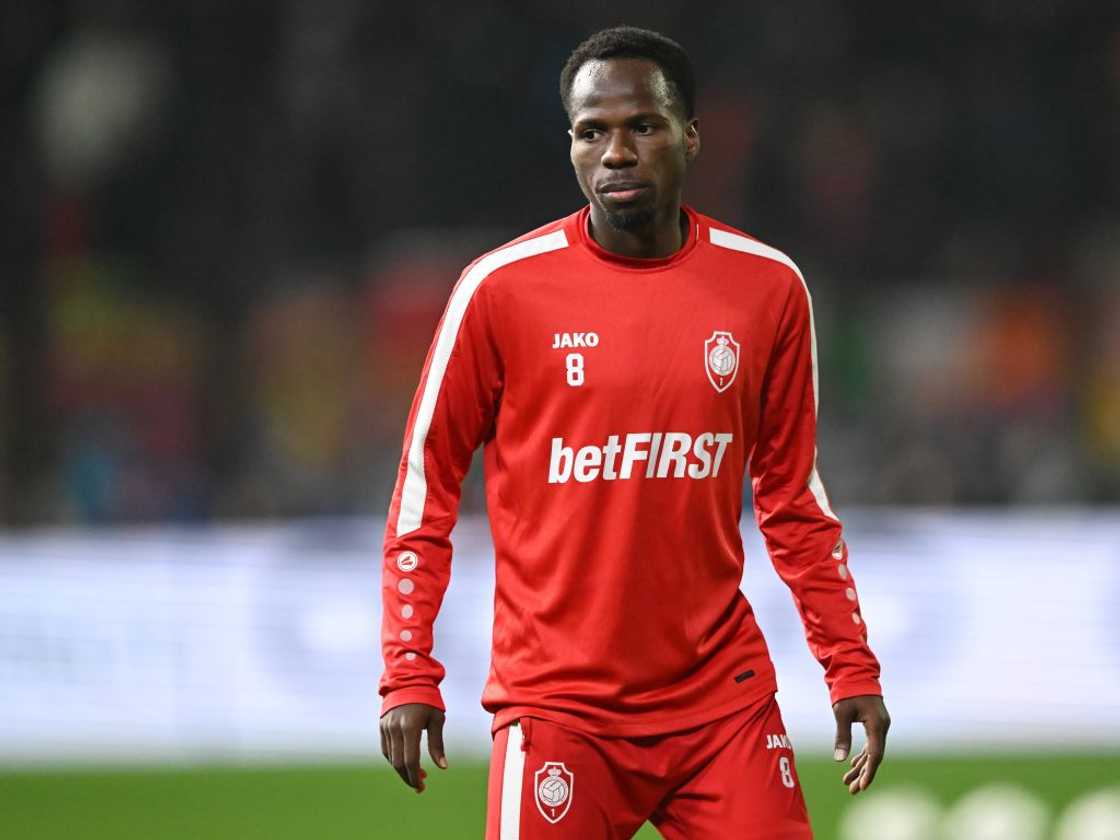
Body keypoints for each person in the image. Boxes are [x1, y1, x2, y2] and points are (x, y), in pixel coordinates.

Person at [378, 25, 890, 839]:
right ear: (572, 147)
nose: (616, 152)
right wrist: (409, 671)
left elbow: (790, 497)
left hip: (720, 703)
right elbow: (425, 487)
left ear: (689, 137)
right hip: (558, 712)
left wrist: (848, 662)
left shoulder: (769, 288)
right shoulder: (499, 291)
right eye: (592, 132)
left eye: (641, 127)